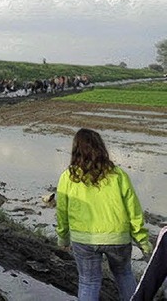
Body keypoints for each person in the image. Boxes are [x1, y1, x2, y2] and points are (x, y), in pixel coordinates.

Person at [56, 128, 152, 301]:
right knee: (124, 274)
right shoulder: (118, 175)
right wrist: (142, 240)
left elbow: (61, 210)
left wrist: (63, 237)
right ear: (101, 148)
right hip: (118, 238)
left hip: (83, 240)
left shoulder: (68, 177)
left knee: (88, 282)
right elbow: (133, 209)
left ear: (76, 149)